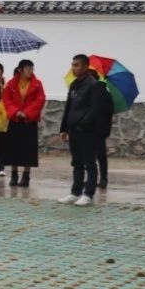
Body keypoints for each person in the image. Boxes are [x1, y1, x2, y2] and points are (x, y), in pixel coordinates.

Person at [58, 54, 111, 207]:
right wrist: (64, 128)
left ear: (86, 66)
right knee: (76, 162)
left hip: (87, 131)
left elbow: (95, 110)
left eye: (78, 65)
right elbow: (69, 107)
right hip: (73, 130)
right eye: (73, 65)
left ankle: (88, 194)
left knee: (89, 162)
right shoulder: (74, 84)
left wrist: (83, 124)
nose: (74, 68)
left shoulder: (95, 86)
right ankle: (75, 192)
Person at [1, 59, 45, 188]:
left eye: (32, 68)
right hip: (15, 120)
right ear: (20, 70)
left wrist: (27, 112)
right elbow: (6, 99)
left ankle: (26, 175)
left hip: (29, 121)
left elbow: (40, 100)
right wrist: (15, 112)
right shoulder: (11, 84)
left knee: (28, 149)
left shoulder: (37, 84)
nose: (30, 71)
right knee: (13, 148)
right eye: (27, 68)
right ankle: (14, 174)